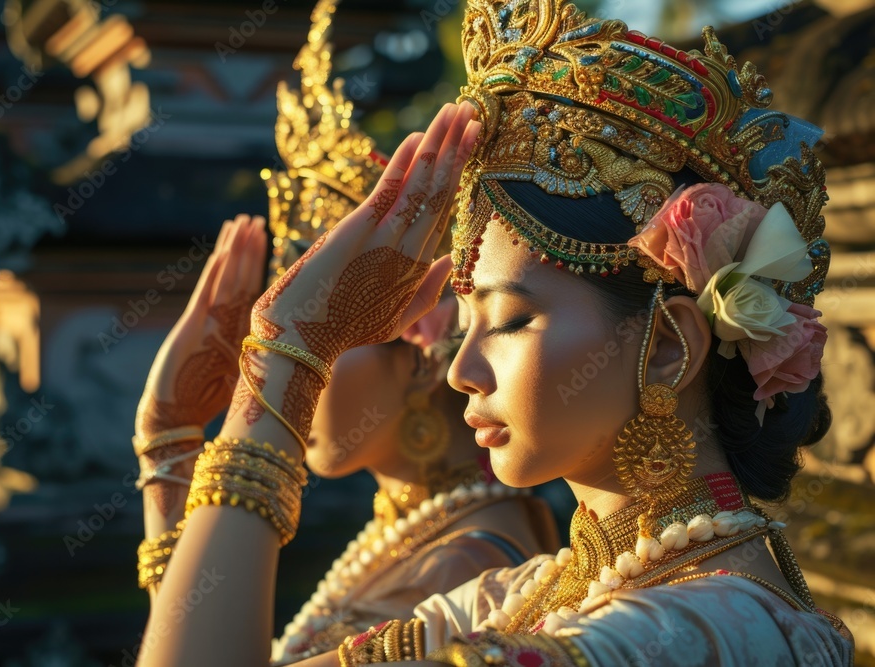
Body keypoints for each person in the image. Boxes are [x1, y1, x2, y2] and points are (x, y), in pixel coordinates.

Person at [136, 0, 855, 664]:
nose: (460, 369)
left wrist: (288, 350)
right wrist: (170, 450)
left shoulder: (695, 629)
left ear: (669, 347)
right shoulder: (518, 595)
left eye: (509, 320)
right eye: (464, 324)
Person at [132, 2, 558, 663]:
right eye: (307, 335)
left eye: (328, 334)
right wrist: (171, 451)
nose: (296, 362)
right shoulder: (409, 537)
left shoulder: (464, 569)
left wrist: (285, 357)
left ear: (420, 353)